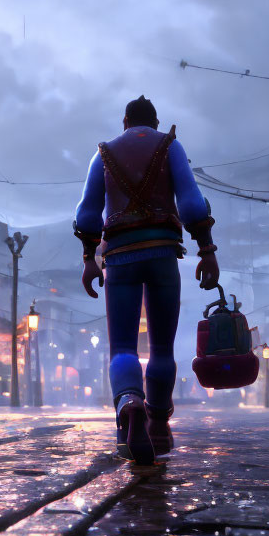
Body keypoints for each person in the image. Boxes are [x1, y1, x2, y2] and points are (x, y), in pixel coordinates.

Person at [73, 96, 219, 465]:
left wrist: (90, 259)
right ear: (155, 123)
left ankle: (129, 403)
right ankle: (156, 424)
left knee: (122, 347)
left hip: (119, 258)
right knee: (162, 349)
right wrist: (206, 249)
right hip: (162, 255)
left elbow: (88, 213)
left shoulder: (103, 154)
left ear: (125, 122)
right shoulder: (170, 146)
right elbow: (191, 201)